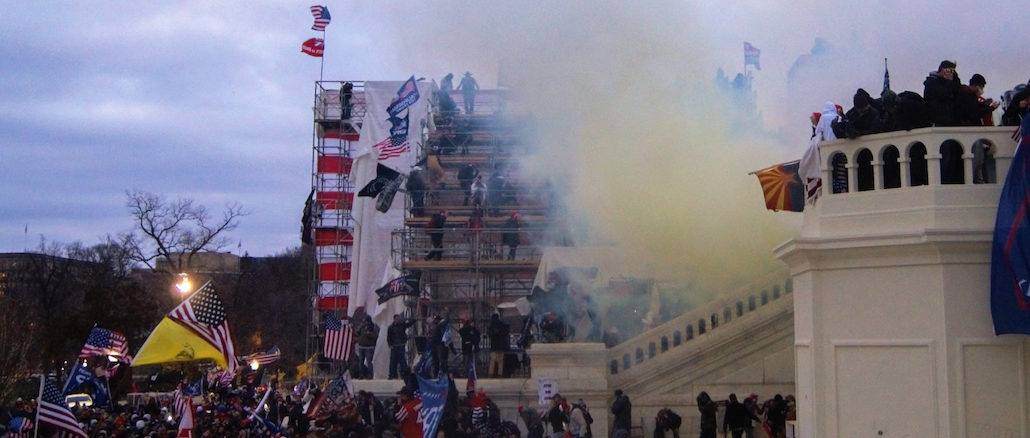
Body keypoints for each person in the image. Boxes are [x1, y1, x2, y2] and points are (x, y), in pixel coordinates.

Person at [923, 60, 960, 126]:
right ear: (943, 70)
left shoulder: (948, 83)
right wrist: (948, 81)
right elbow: (943, 94)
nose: (951, 73)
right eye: (949, 71)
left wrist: (955, 78)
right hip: (937, 120)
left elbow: (957, 90)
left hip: (948, 119)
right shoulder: (931, 82)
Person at [353, 307, 379, 379]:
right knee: (360, 362)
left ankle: (370, 374)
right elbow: (357, 333)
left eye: (367, 321)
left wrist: (370, 334)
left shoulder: (373, 327)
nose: (366, 323)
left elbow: (376, 336)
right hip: (361, 346)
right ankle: (361, 375)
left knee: (369, 362)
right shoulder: (362, 326)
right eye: (365, 321)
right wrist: (360, 327)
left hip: (369, 347)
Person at [388, 314, 416, 379]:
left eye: (398, 319)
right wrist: (390, 345)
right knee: (393, 362)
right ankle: (392, 375)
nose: (398, 320)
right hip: (394, 346)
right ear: (394, 319)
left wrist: (414, 320)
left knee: (402, 361)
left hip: (401, 345)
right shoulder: (390, 328)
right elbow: (389, 338)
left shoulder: (402, 325)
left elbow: (408, 324)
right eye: (397, 319)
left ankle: (405, 375)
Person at [486, 313, 510, 377]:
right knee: (500, 361)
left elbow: (489, 334)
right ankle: (500, 373)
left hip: (494, 345)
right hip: (501, 345)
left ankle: (491, 373)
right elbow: (506, 332)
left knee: (493, 360)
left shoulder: (491, 326)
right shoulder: (502, 325)